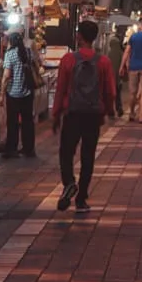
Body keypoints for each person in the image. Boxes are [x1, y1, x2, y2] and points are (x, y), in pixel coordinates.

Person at [52, 20, 116, 213]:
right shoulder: (103, 61)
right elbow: (110, 91)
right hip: (93, 115)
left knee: (66, 152)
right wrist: (107, 111)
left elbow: (61, 89)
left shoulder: (68, 60)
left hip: (72, 113)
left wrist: (56, 114)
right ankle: (81, 199)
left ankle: (69, 182)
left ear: (79, 36)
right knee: (88, 156)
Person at [0, 31, 37, 158]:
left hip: (13, 94)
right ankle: (28, 148)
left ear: (11, 42)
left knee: (13, 122)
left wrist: (1, 93)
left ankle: (12, 149)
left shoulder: (10, 54)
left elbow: (6, 76)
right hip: (27, 93)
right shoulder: (27, 52)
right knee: (28, 121)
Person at [107, 29, 125, 119]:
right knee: (118, 95)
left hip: (110, 78)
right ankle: (119, 108)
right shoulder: (121, 53)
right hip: (119, 78)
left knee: (110, 95)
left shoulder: (109, 53)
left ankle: (111, 111)